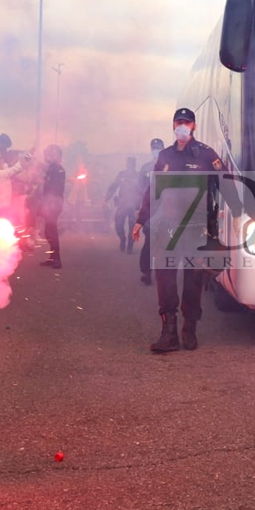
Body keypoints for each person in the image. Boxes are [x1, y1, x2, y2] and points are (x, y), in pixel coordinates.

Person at [132, 108, 232, 353]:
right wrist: (141, 219)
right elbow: (152, 190)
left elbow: (227, 184)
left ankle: (190, 329)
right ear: (173, 125)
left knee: (193, 282)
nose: (182, 126)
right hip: (167, 228)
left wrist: (228, 215)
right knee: (165, 280)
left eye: (186, 122)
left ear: (194, 126)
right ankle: (169, 333)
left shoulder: (207, 155)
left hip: (197, 228)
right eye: (178, 122)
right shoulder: (165, 156)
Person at [137, 139, 164, 285]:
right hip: (149, 210)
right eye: (154, 148)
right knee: (149, 242)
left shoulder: (170, 167)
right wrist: (138, 209)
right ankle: (146, 272)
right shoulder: (145, 168)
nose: (156, 150)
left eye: (158, 147)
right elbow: (138, 190)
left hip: (166, 210)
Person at [107, 157, 142, 254]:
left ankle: (130, 246)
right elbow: (113, 186)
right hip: (122, 204)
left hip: (135, 205)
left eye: (132, 163)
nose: (130, 165)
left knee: (133, 227)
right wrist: (106, 199)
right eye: (129, 163)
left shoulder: (139, 176)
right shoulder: (121, 175)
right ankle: (122, 238)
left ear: (135, 165)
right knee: (118, 224)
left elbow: (143, 190)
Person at [40, 144, 66, 268]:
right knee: (47, 231)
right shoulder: (51, 168)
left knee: (52, 230)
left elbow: (55, 189)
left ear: (59, 157)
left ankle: (57, 259)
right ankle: (52, 257)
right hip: (49, 203)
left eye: (54, 153)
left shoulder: (58, 169)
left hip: (54, 203)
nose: (51, 155)